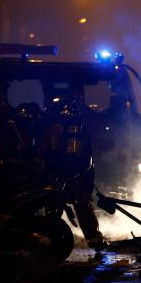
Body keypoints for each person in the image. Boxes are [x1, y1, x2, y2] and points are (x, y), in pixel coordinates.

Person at [39, 93, 107, 251]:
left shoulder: (52, 124)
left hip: (58, 173)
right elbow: (75, 155)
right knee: (82, 204)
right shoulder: (73, 126)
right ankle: (94, 242)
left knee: (56, 205)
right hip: (73, 175)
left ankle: (52, 241)